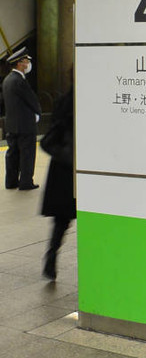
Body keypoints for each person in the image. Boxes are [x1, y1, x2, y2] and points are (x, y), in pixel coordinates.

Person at [40, 85, 75, 280]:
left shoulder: (63, 100)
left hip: (61, 169)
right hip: (72, 168)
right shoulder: (82, 103)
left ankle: (51, 259)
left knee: (61, 221)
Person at [2, 47, 41, 190]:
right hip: (25, 125)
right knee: (27, 154)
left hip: (12, 124)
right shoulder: (19, 80)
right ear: (19, 63)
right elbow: (31, 99)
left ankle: (11, 181)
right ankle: (26, 182)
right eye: (25, 61)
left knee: (13, 154)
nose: (27, 64)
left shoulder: (7, 79)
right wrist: (37, 113)